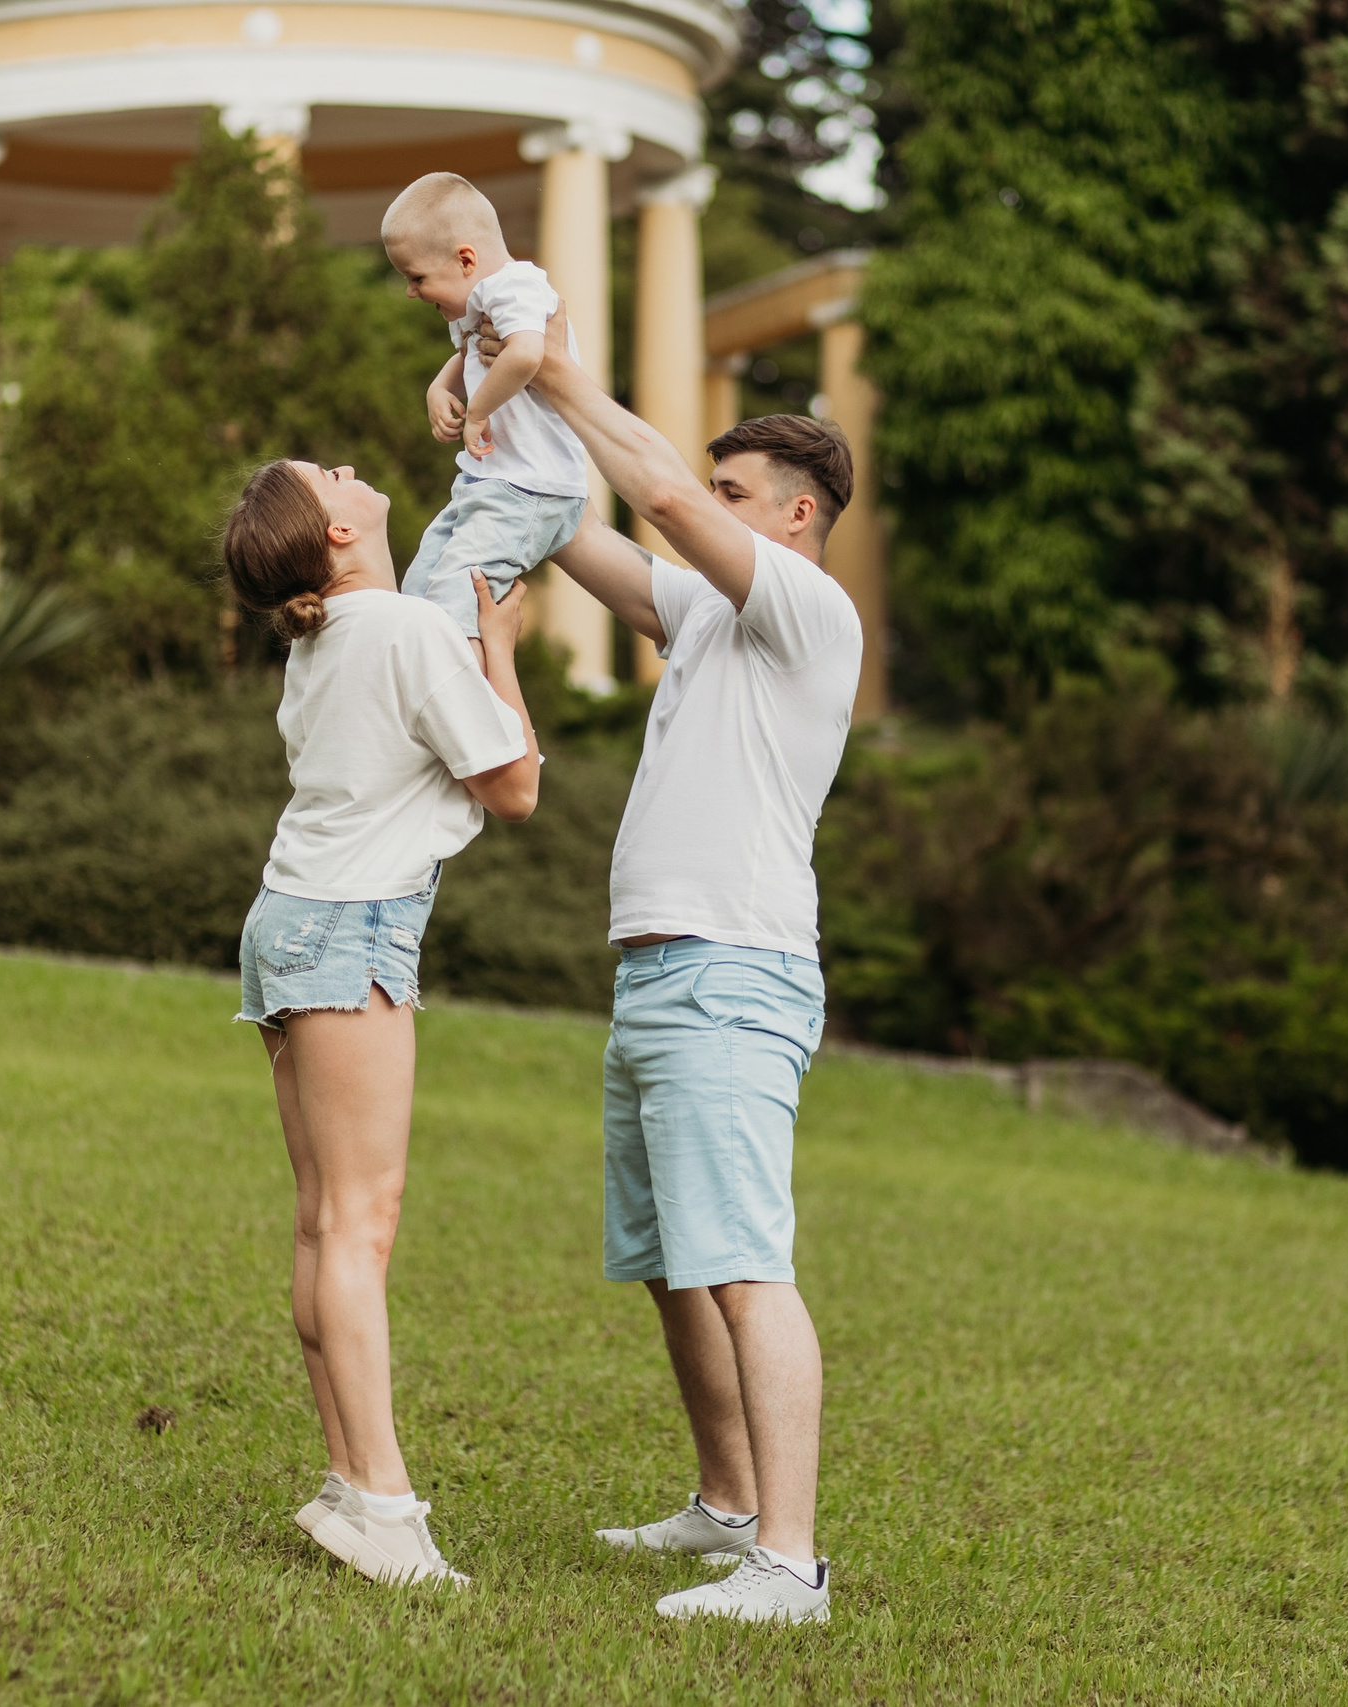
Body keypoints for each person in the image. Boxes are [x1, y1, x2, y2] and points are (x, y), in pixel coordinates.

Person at [498, 314, 865, 1625]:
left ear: (797, 514)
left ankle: (791, 1560)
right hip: (658, 973)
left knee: (745, 1258)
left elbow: (644, 488)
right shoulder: (706, 614)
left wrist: (559, 369)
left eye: (727, 495)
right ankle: (725, 1502)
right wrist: (494, 416)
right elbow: (562, 525)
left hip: (735, 969)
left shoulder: (807, 613)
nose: (693, 510)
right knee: (674, 1256)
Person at [222, 456, 541, 1588]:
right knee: (360, 1225)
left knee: (324, 1223)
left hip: (291, 921)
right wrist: (499, 645)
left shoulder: (325, 641)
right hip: (350, 929)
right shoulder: (403, 629)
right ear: (338, 536)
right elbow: (514, 787)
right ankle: (386, 1510)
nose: (352, 469)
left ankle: (353, 1485)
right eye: (333, 476)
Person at [380, 172, 593, 642]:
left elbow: (525, 353)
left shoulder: (517, 286)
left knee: (454, 606)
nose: (411, 292)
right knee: (417, 595)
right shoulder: (474, 303)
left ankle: (457, 703)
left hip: (530, 486)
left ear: (466, 259)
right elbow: (467, 354)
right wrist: (440, 386)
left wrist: (476, 412)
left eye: (416, 277)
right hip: (487, 483)